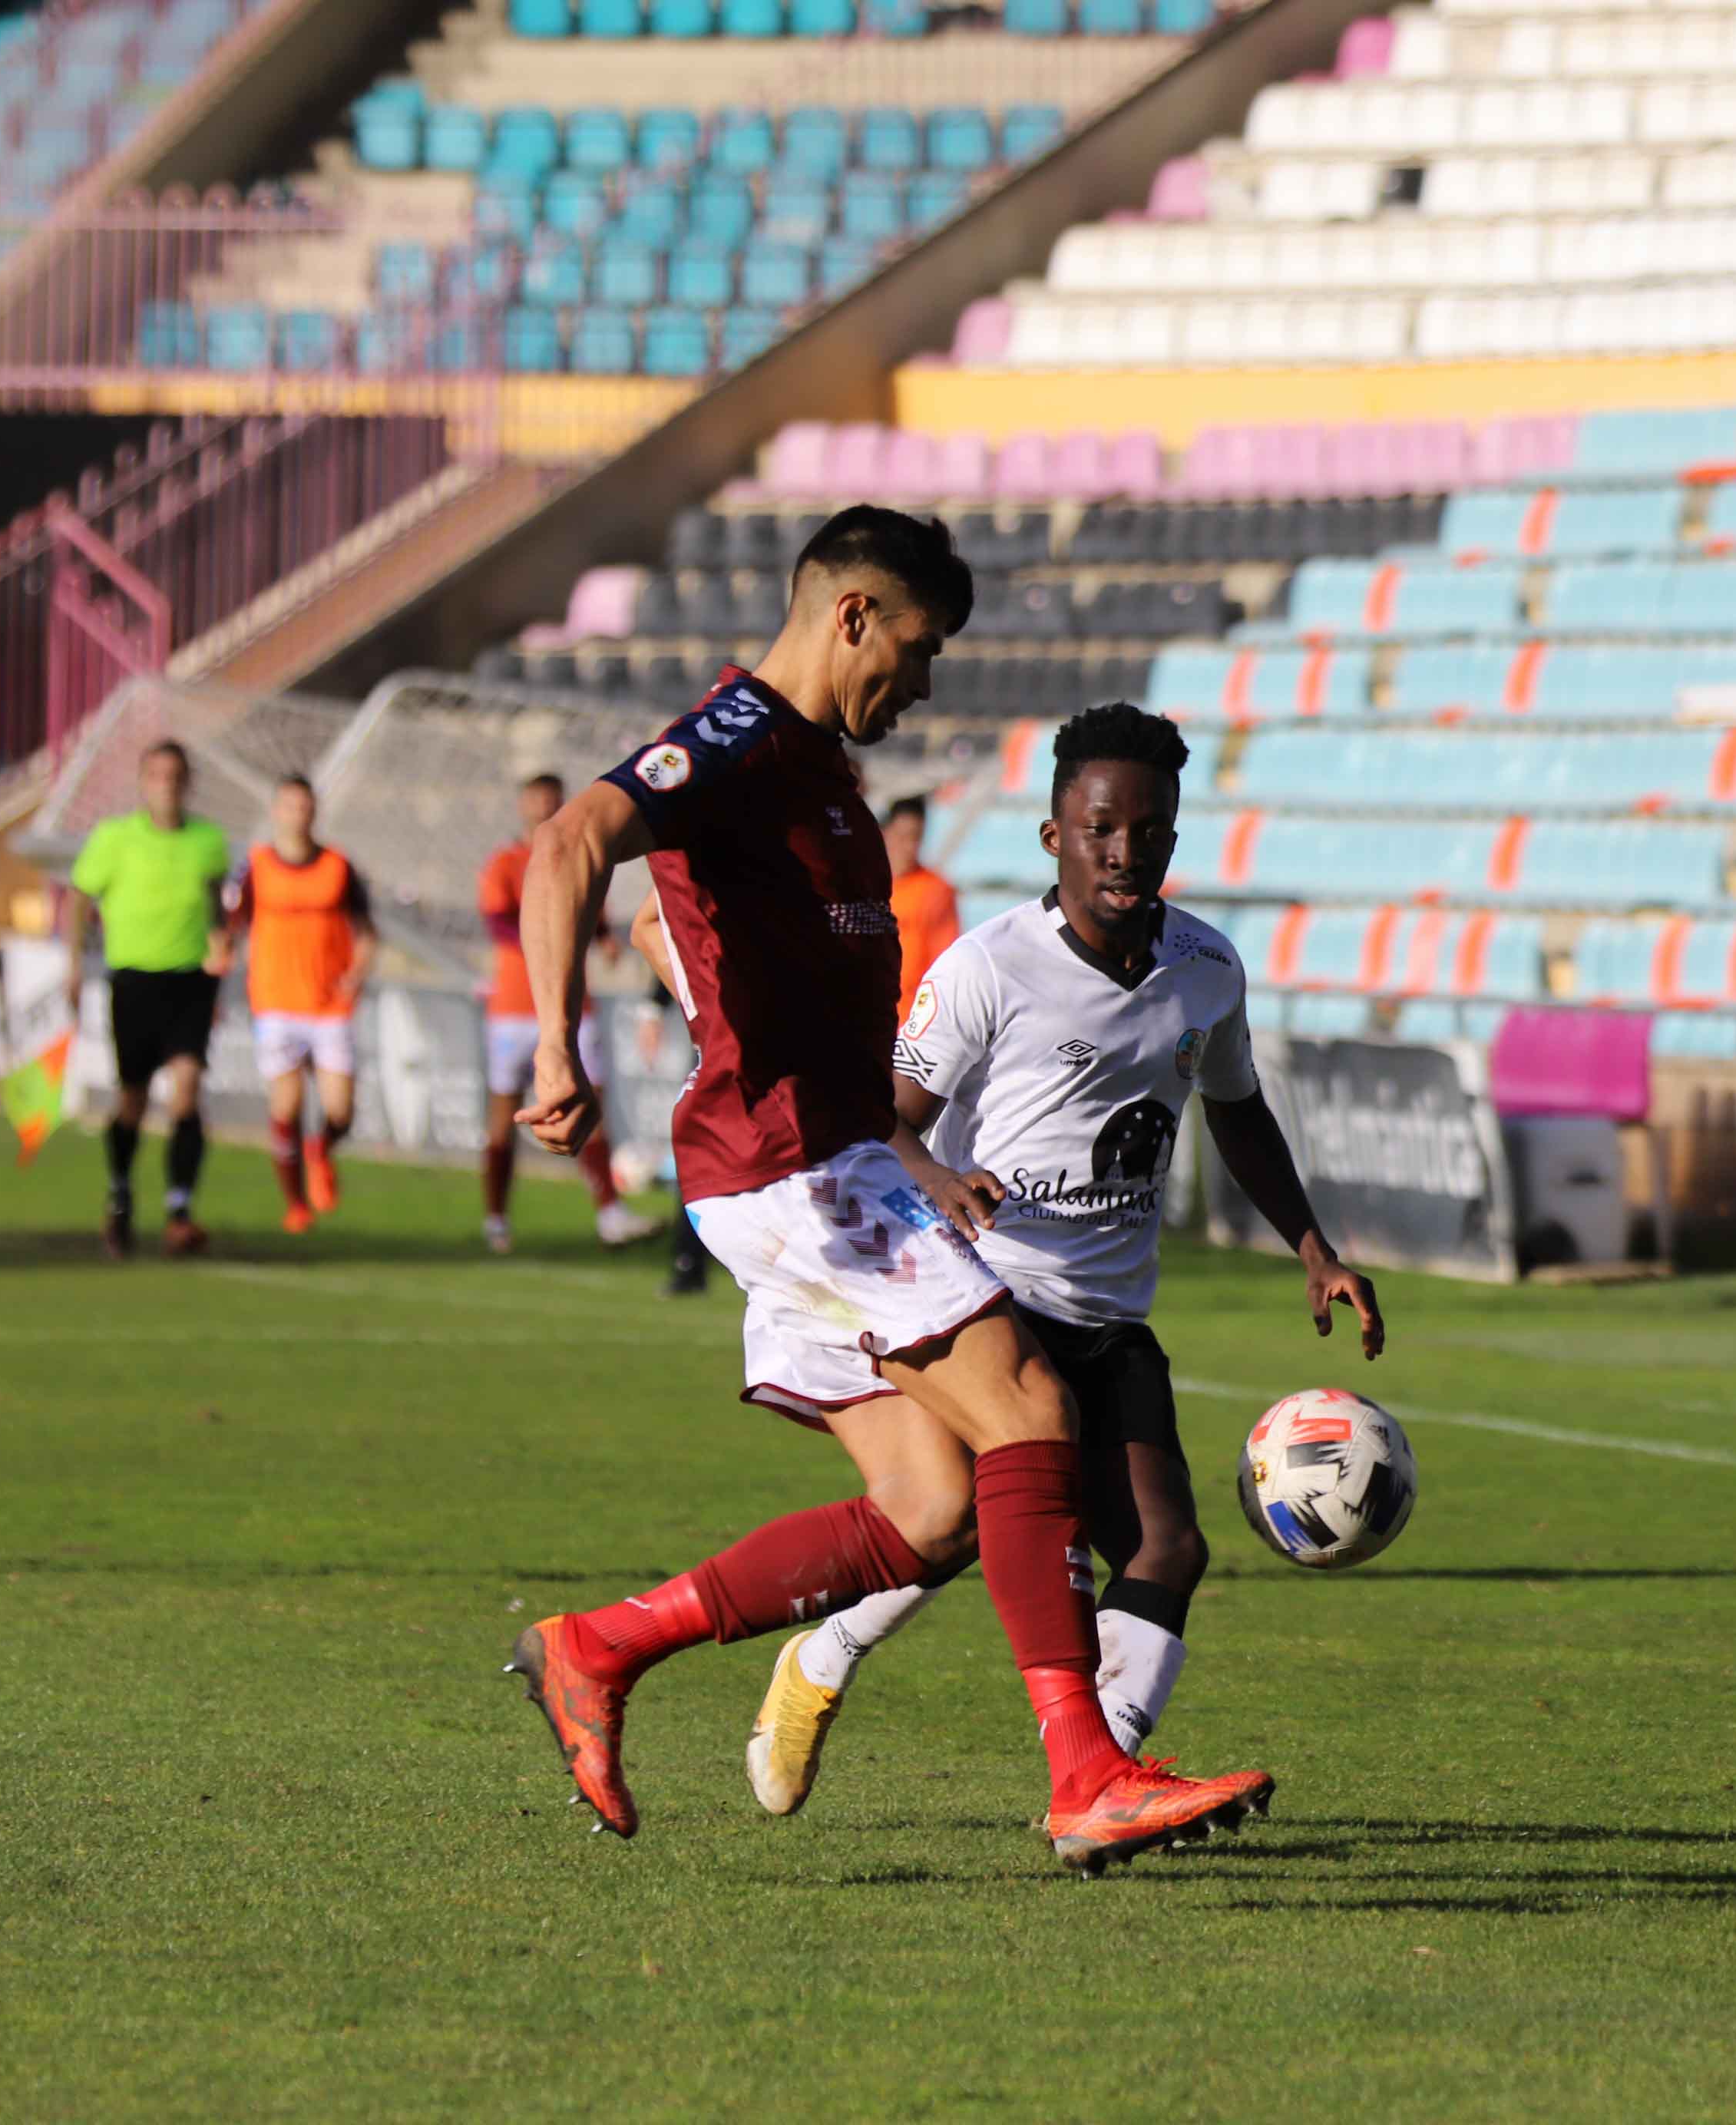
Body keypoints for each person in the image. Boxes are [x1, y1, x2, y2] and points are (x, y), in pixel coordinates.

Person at [507, 505, 1279, 1875]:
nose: (920, 685)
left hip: (820, 1160)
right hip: (793, 1163)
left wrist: (695, 964)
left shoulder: (807, 773)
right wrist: (560, 1041)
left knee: (929, 1506)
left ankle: (598, 1646)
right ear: (853, 614)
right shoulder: (740, 738)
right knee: (1030, 1405)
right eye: (917, 650)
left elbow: (662, 913)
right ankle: (1087, 1772)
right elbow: (575, 843)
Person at [740, 703, 1384, 1814]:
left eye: (1149, 831)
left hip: (1111, 1310)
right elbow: (878, 1110)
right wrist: (938, 1178)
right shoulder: (989, 968)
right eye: (1100, 829)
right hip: (987, 1296)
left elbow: (1238, 1109)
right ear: (1055, 837)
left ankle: (1102, 1772)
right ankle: (824, 1663)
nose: (1125, 851)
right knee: (960, 1527)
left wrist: (1313, 1244)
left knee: (1168, 1549)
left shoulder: (1205, 970)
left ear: (1175, 840)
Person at [64, 742, 232, 1258]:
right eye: (157, 774)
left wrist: (222, 948)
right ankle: (120, 1195)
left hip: (189, 981)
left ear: (188, 782)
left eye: (176, 775)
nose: (167, 784)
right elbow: (79, 898)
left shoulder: (209, 842)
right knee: (132, 1100)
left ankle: (180, 1210)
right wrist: (73, 963)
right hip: (134, 980)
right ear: (143, 782)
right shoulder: (114, 838)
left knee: (187, 1091)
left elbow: (218, 906)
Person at [477, 772, 656, 1252]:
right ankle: (496, 1217)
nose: (543, 807)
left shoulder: (579, 860)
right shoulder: (504, 863)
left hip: (576, 1008)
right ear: (522, 804)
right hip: (513, 1009)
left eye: (552, 799)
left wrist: (599, 940)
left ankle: (610, 1214)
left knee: (590, 1103)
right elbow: (499, 925)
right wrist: (557, 933)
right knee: (504, 1115)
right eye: (535, 798)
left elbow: (595, 922)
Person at [227, 775, 375, 1235]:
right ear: (277, 811)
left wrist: (359, 971)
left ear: (315, 812)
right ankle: (295, 1204)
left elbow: (367, 932)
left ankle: (320, 1149)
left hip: (330, 1004)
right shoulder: (255, 868)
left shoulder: (339, 866)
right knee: (286, 1106)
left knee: (340, 1112)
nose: (299, 815)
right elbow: (229, 924)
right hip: (276, 1002)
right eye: (290, 806)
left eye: (305, 806)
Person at [883, 792, 958, 1023]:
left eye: (916, 838)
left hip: (912, 1021)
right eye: (903, 836)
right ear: (885, 834)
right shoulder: (862, 885)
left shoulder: (936, 890)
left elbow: (945, 964)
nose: (909, 847)